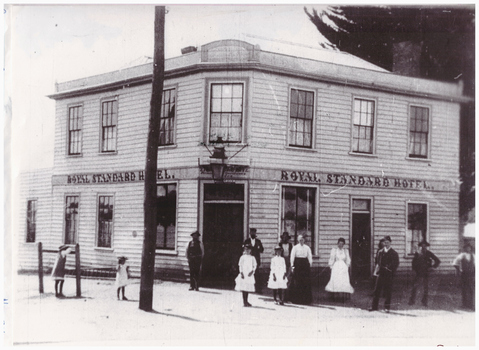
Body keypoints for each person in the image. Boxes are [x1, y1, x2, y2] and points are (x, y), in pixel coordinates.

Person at [370, 235, 399, 312]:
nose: (386, 244)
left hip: (389, 274)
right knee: (376, 290)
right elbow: (378, 262)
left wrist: (389, 268)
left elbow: (396, 263)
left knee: (388, 291)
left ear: (390, 243)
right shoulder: (380, 252)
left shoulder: (394, 253)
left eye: (388, 242)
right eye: (385, 242)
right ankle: (374, 307)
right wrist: (378, 270)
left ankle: (387, 307)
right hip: (381, 273)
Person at [408, 240, 441, 307]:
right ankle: (412, 300)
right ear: (421, 246)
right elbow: (413, 263)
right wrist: (414, 270)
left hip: (426, 272)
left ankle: (424, 301)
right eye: (422, 245)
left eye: (425, 245)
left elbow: (437, 261)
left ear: (426, 246)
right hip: (418, 272)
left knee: (426, 288)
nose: (423, 247)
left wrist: (432, 267)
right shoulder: (417, 253)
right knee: (415, 286)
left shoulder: (429, 253)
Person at [289, 235, 313, 305]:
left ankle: (305, 300)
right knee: (297, 281)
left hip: (305, 265)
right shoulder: (295, 247)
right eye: (300, 240)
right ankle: (296, 300)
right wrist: (292, 267)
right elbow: (292, 257)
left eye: (302, 240)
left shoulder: (307, 248)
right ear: (298, 240)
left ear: (304, 240)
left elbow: (309, 256)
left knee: (305, 282)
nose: (301, 241)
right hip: (297, 265)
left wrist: (310, 265)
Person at [452, 243, 475, 310]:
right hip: (464, 274)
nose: (468, 249)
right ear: (465, 248)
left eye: (469, 247)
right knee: (464, 289)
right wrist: (459, 270)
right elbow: (455, 263)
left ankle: (470, 304)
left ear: (471, 248)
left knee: (471, 289)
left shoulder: (473, 256)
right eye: (467, 247)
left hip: (471, 274)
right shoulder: (462, 255)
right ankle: (464, 304)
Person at [243, 228, 264, 293]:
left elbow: (262, 250)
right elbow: (243, 249)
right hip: (248, 260)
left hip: (256, 260)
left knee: (257, 274)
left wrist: (258, 248)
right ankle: (247, 288)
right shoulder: (247, 241)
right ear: (250, 233)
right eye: (251, 232)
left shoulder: (258, 241)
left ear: (255, 233)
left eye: (254, 232)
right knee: (248, 273)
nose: (253, 234)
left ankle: (258, 289)